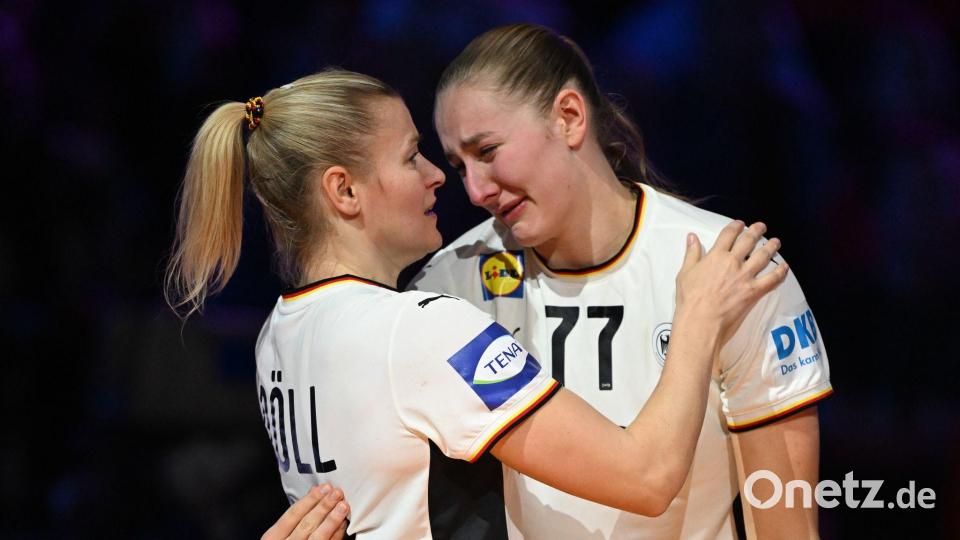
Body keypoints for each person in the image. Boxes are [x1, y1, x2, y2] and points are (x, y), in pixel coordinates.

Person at [164, 68, 787, 539]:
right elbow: (646, 479)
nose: (439, 177)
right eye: (412, 157)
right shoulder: (421, 331)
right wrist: (699, 318)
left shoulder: (279, 334)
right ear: (344, 191)